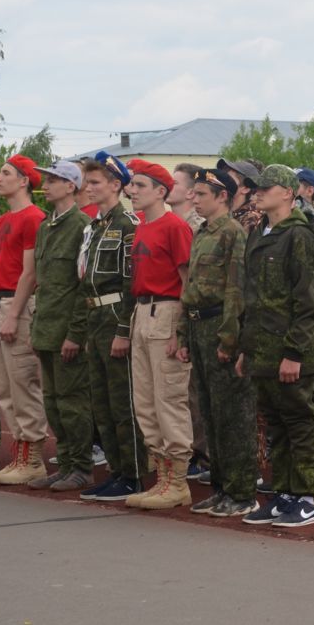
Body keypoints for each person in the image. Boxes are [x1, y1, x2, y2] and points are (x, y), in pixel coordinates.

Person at [239, 164, 314, 529]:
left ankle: (306, 498)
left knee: (300, 421)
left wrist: (294, 353)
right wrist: (246, 348)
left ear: (288, 193)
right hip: (262, 347)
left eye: (266, 188)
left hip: (291, 350)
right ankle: (286, 493)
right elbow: (251, 296)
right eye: (256, 188)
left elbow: (306, 301)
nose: (257, 193)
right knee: (276, 424)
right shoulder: (261, 232)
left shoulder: (299, 235)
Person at [184, 167, 258, 519]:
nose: (194, 199)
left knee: (232, 414)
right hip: (198, 326)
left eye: (201, 194)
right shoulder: (202, 232)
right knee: (210, 413)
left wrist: (229, 338)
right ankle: (220, 486)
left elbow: (235, 290)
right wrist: (186, 334)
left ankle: (242, 491)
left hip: (218, 325)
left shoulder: (232, 232)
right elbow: (191, 288)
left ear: (222, 197)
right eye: (195, 193)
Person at [123, 160, 196, 509]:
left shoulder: (174, 227)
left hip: (166, 311)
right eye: (132, 185)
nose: (131, 191)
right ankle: (163, 476)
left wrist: (181, 332)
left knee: (169, 398)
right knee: (145, 400)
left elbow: (187, 282)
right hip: (142, 311)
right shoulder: (141, 227)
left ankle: (178, 482)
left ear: (160, 192)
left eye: (139, 185)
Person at [78, 154, 149, 502]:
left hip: (115, 315)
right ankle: (116, 470)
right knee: (101, 402)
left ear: (116, 185)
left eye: (95, 183)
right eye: (87, 182)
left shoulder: (127, 224)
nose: (88, 188)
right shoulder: (95, 226)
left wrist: (123, 329)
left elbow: (130, 281)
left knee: (123, 402)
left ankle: (133, 474)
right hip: (94, 317)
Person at [0, 155, 50, 486]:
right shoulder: (5, 219)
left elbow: (30, 272)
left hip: (15, 304)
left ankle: (34, 458)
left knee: (23, 383)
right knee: (5, 387)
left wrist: (12, 314)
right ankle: (20, 453)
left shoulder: (33, 218)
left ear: (24, 180)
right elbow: (0, 264)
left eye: (6, 172)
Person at [29, 161, 95, 490]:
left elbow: (84, 286)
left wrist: (75, 334)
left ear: (71, 187)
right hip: (46, 328)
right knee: (53, 403)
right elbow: (44, 284)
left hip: (67, 330)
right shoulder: (46, 226)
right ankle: (66, 462)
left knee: (73, 403)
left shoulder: (83, 226)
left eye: (55, 179)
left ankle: (81, 467)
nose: (47, 184)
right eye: (47, 178)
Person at [169, 162, 212, 485]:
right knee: (178, 391)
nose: (168, 186)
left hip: (193, 314)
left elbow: (193, 279)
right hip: (172, 312)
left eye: (174, 182)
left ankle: (202, 454)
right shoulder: (168, 222)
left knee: (195, 392)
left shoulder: (197, 226)